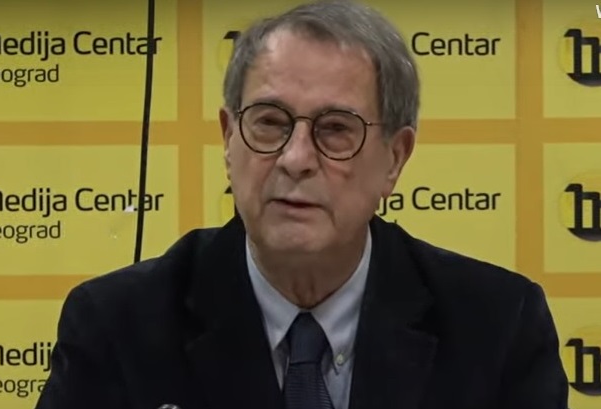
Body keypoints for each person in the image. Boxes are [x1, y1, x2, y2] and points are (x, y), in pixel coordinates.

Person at [34, 1, 569, 408]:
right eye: (269, 122)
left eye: (335, 129)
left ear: (395, 158)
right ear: (228, 139)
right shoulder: (117, 325)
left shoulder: (498, 325)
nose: (295, 158)